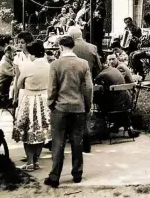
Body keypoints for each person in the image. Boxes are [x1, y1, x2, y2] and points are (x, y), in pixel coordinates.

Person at [44, 36, 93, 188]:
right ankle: (77, 174)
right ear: (73, 47)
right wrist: (87, 105)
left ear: (60, 47)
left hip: (60, 107)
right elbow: (89, 88)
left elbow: (52, 88)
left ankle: (54, 177)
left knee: (58, 142)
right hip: (78, 107)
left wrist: (51, 103)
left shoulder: (56, 64)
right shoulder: (83, 64)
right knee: (77, 141)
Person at [12, 40, 51, 171]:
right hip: (44, 99)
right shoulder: (49, 66)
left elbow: (18, 84)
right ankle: (36, 160)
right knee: (41, 130)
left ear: (32, 54)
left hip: (29, 99)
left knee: (27, 131)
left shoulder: (28, 66)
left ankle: (29, 162)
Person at [67, 26, 102, 153]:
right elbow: (99, 67)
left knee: (72, 114)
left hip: (71, 85)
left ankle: (74, 143)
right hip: (88, 83)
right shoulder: (92, 47)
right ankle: (86, 144)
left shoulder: (68, 49)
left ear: (71, 37)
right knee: (86, 112)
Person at [94, 55, 138, 136]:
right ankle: (118, 125)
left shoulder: (103, 74)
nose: (111, 61)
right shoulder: (114, 69)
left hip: (120, 102)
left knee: (98, 100)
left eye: (113, 59)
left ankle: (104, 126)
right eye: (109, 59)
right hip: (127, 100)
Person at [12, 31, 34, 103]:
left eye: (22, 42)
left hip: (34, 86)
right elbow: (17, 76)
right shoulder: (17, 57)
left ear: (28, 43)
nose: (20, 45)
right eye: (18, 42)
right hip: (22, 87)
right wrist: (15, 96)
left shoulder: (35, 56)